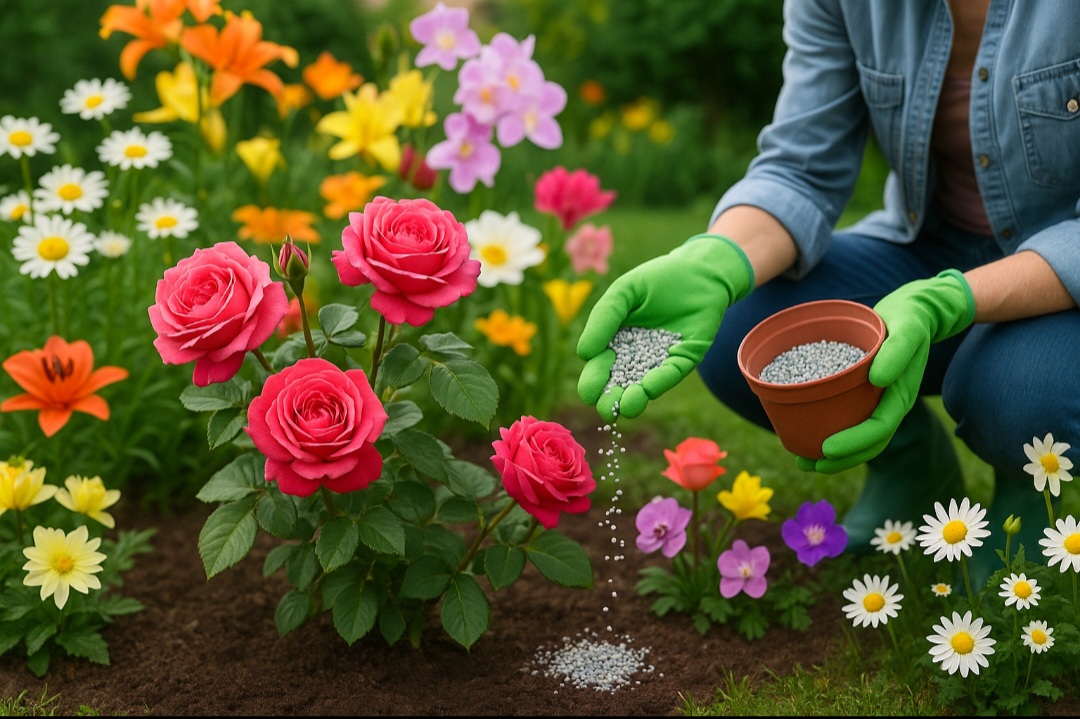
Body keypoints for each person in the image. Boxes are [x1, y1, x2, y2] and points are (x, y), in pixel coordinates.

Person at [576, 0, 1080, 588]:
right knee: (745, 327)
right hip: (931, 247)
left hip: (1062, 280)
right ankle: (910, 465)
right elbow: (801, 168)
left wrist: (948, 299)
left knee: (1013, 390)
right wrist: (714, 262)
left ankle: (1028, 485)